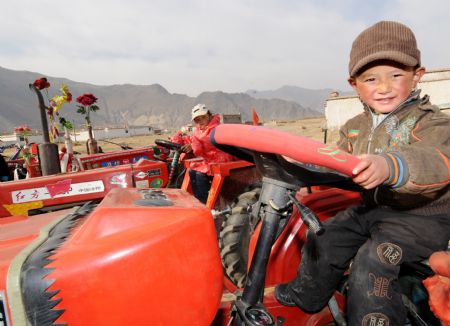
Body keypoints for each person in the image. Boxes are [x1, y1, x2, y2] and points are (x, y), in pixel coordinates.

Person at [274, 20, 450, 325]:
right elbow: (334, 161)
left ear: (417, 76)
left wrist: (390, 166)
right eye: (371, 79)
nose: (383, 87)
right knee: (325, 236)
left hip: (424, 218)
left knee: (375, 259)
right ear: (354, 84)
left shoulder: (431, 123)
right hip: (374, 210)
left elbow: (437, 160)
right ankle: (308, 295)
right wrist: (304, 169)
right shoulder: (355, 126)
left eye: (395, 75)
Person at [171, 104, 235, 203]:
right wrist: (179, 137)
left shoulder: (217, 128)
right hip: (209, 160)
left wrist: (192, 145)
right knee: (192, 171)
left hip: (221, 158)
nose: (201, 121)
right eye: (197, 120)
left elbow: (206, 142)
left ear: (209, 116)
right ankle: (199, 200)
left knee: (200, 174)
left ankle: (207, 203)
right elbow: (192, 139)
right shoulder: (199, 130)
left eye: (203, 117)